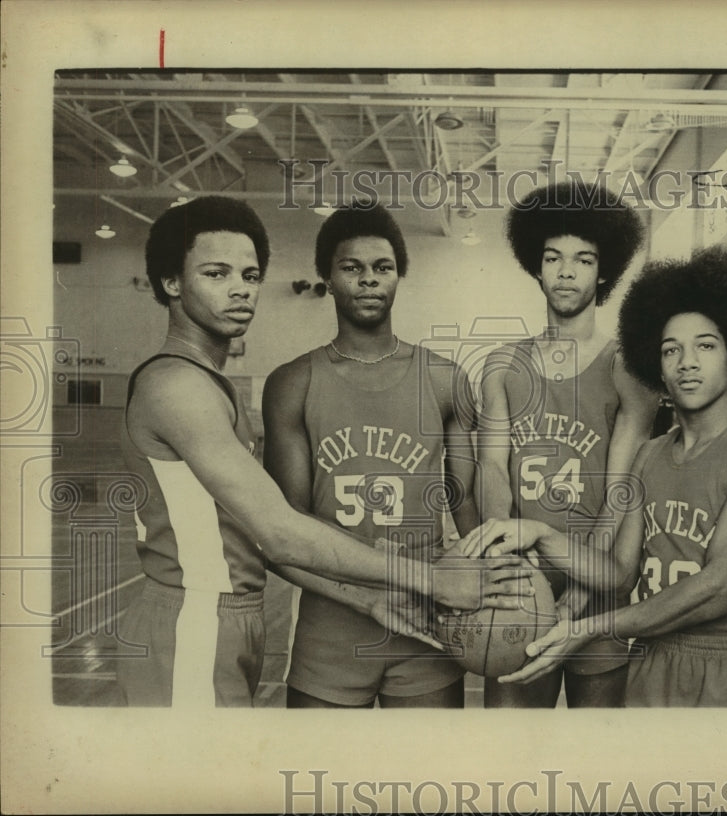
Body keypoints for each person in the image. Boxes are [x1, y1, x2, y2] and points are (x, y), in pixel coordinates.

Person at [119, 196, 525, 707]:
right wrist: (432, 580)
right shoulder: (181, 386)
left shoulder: (209, 384)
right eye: (216, 274)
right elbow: (281, 532)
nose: (240, 289)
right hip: (197, 615)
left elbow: (259, 538)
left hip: (234, 614)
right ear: (171, 283)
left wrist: (393, 593)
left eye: (250, 275)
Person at [464, 246, 727, 707]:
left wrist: (590, 626)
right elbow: (619, 574)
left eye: (706, 346)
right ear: (655, 366)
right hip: (650, 658)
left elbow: (721, 588)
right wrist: (540, 534)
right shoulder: (649, 457)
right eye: (670, 350)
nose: (687, 362)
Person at [263, 202, 482, 708]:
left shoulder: (444, 379)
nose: (368, 279)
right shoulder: (292, 383)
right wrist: (365, 596)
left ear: (399, 276)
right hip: (332, 618)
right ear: (327, 277)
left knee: (434, 762)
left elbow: (465, 502)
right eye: (352, 267)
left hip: (428, 616)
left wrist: (488, 578)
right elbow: (286, 532)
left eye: (382, 267)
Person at [477, 180, 659, 708]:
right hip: (520, 582)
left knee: (593, 745)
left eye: (583, 259)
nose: (565, 271)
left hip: (597, 585)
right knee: (509, 743)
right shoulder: (502, 365)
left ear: (604, 272)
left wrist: (574, 602)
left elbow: (621, 493)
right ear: (536, 267)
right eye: (553, 257)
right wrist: (509, 560)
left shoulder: (627, 368)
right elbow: (491, 468)